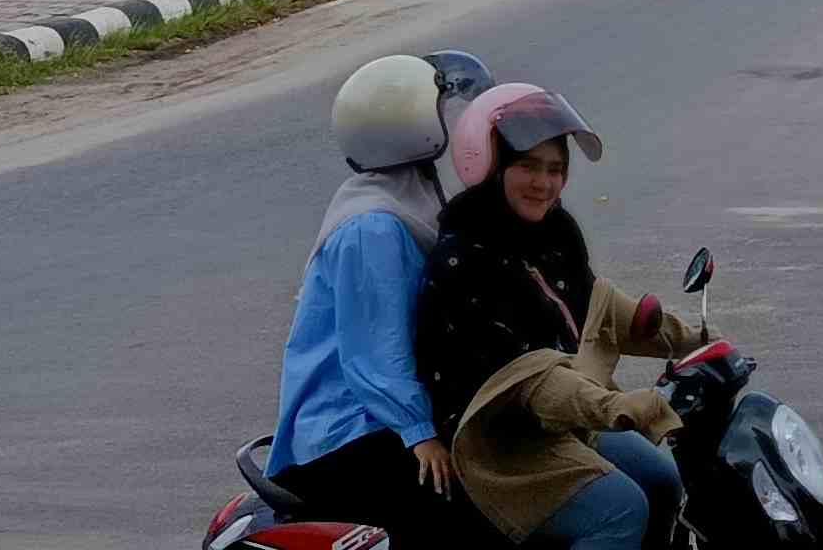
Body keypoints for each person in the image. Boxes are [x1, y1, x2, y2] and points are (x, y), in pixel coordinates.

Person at [418, 84, 707, 550]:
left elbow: (594, 308)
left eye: (555, 170)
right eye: (527, 166)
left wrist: (694, 342)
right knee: (620, 508)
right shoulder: (466, 258)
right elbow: (531, 380)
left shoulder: (555, 231)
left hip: (559, 416)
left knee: (665, 479)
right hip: (499, 435)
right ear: (493, 168)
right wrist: (613, 406)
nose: (543, 183)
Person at [269, 50, 496, 545]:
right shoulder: (374, 227)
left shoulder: (410, 192)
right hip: (349, 429)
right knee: (477, 513)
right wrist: (419, 433)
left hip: (384, 413)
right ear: (411, 128)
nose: (457, 123)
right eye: (444, 112)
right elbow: (375, 351)